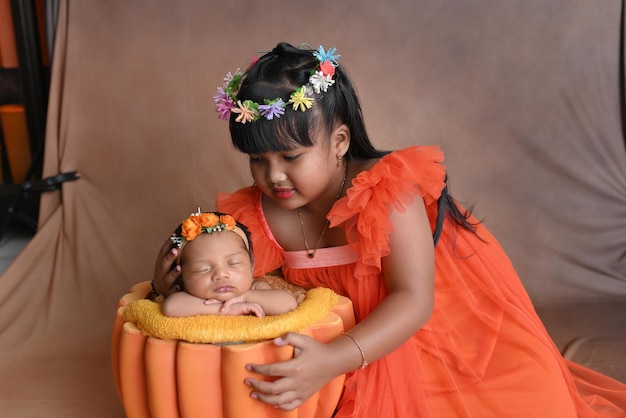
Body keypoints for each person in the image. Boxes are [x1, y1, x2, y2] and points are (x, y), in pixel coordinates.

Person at [152, 42, 626, 416]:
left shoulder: (384, 191)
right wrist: (168, 277)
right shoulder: (258, 214)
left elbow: (413, 300)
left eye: (290, 157)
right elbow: (228, 282)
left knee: (526, 404)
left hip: (440, 334)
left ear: (339, 141)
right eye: (259, 160)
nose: (273, 176)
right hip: (347, 345)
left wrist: (335, 359)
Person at [158, 210, 298, 318]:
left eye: (234, 263)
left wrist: (244, 298)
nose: (221, 274)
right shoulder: (189, 297)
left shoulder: (256, 288)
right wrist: (226, 309)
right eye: (202, 269)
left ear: (251, 264)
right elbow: (171, 307)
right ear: (181, 275)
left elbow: (288, 305)